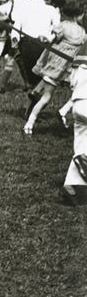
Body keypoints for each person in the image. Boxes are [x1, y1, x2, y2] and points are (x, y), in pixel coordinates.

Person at [24, 0, 86, 134]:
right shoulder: (82, 32)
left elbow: (52, 39)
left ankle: (38, 96)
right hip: (65, 68)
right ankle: (30, 122)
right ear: (80, 14)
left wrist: (47, 38)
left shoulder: (62, 26)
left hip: (55, 65)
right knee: (53, 96)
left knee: (50, 94)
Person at [57, 52, 87, 205]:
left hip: (77, 104)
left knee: (82, 147)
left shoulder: (81, 50)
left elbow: (71, 81)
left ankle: (70, 185)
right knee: (84, 152)